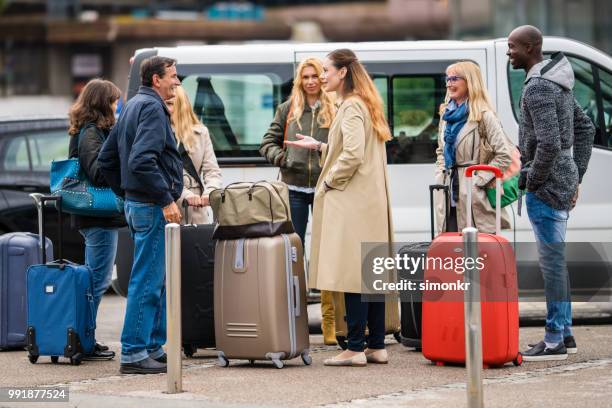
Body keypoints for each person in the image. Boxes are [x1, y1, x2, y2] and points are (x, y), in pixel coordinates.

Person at [286, 49, 393, 367]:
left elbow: (353, 154)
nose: (322, 77)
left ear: (343, 72)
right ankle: (376, 346)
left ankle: (355, 348)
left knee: (351, 275)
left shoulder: (350, 107)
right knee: (370, 274)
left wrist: (328, 182)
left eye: (327, 71)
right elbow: (352, 148)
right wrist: (320, 146)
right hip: (369, 202)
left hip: (351, 201)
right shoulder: (366, 103)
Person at [507, 25, 595, 361]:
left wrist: (530, 180)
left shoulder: (537, 88)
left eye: (513, 47)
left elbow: (548, 142)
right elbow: (585, 128)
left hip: (547, 189)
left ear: (530, 48)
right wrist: (577, 176)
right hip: (562, 184)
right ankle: (566, 333)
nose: (509, 53)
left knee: (553, 265)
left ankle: (555, 338)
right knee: (557, 262)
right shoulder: (558, 83)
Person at [98, 56, 183, 374]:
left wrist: (126, 195)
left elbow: (108, 158)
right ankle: (134, 353)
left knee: (154, 279)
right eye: (173, 76)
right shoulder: (150, 108)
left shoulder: (133, 104)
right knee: (148, 280)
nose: (177, 81)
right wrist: (164, 199)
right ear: (156, 80)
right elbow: (141, 160)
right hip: (150, 206)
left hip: (139, 204)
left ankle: (151, 346)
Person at [259, 57, 337, 345]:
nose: (311, 81)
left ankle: (330, 323)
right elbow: (266, 143)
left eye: (315, 76)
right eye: (305, 77)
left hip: (326, 189)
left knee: (327, 253)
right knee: (294, 255)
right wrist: (284, 158)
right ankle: (296, 322)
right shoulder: (288, 109)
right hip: (293, 190)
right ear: (299, 81)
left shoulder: (335, 108)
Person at [67, 78, 124, 361]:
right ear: (103, 103)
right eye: (114, 101)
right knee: (97, 281)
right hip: (97, 217)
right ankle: (83, 340)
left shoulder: (94, 131)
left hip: (97, 218)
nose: (118, 105)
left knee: (94, 279)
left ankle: (82, 338)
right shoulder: (91, 133)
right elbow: (98, 173)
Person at [433, 61, 513, 234]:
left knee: (479, 253)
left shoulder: (484, 115)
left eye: (454, 79)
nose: (449, 83)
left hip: (475, 196)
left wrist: (477, 180)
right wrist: (441, 174)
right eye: (447, 79)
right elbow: (441, 151)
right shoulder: (446, 115)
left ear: (470, 81)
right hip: (448, 191)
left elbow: (504, 155)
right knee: (453, 251)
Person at [168, 86, 222, 224]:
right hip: (169, 208)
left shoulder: (201, 133)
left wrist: (210, 192)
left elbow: (212, 171)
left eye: (170, 103)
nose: (166, 108)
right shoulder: (158, 133)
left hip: (196, 211)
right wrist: (185, 194)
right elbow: (161, 175)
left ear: (181, 105)